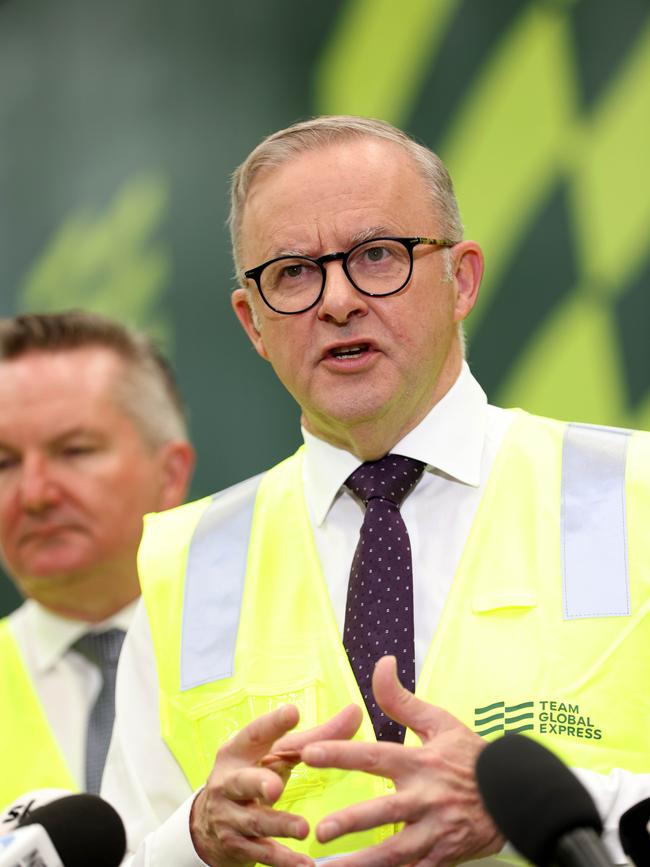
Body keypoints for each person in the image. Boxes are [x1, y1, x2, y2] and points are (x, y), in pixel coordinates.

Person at [103, 117, 650, 866]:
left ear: (461, 279)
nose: (337, 300)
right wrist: (196, 838)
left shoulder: (636, 495)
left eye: (377, 256)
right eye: (292, 272)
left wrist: (562, 811)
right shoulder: (187, 564)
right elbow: (125, 845)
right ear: (253, 323)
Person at [0, 311, 195, 807]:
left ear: (170, 475)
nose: (36, 492)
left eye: (74, 451)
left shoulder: (268, 646)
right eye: (4, 462)